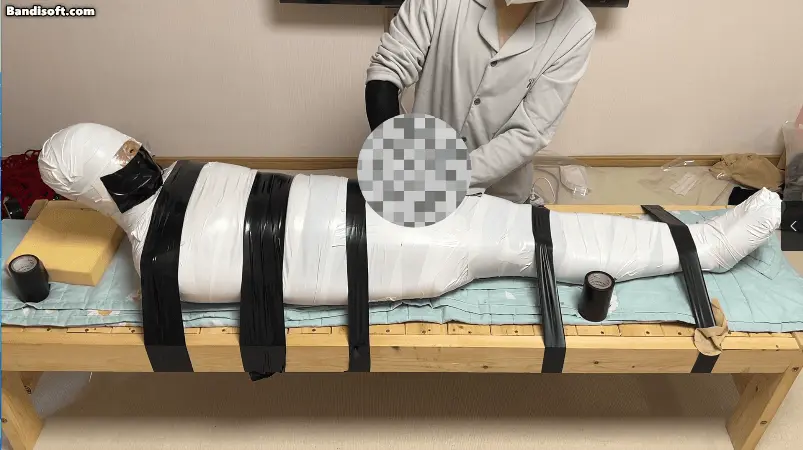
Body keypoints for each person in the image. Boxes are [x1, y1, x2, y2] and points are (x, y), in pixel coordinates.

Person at [365, 0, 596, 204]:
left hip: (501, 200)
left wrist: (442, 178)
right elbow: (387, 71)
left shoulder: (577, 26)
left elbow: (530, 131)